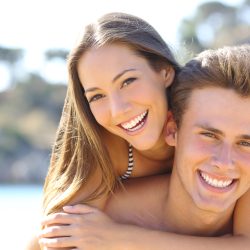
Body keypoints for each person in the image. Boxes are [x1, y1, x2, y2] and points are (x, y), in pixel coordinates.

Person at [39, 44, 250, 250]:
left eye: (245, 143)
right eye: (209, 135)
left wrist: (124, 239)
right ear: (171, 130)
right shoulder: (100, 224)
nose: (224, 162)